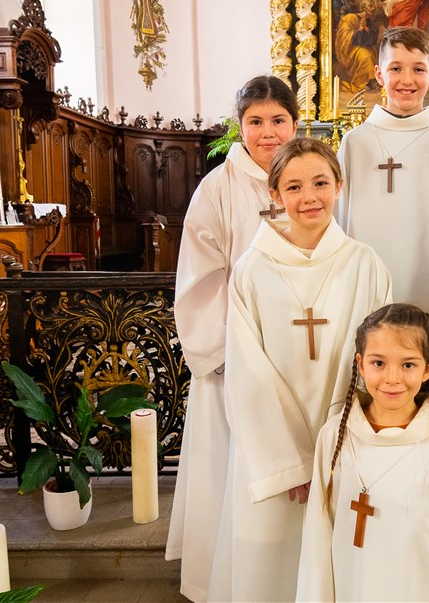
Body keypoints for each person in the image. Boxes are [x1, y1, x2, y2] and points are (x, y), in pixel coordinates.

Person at [210, 138, 392, 601]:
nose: (309, 197)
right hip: (271, 448)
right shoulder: (252, 270)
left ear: (340, 186)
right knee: (272, 564)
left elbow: (380, 361)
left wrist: (345, 444)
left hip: (344, 438)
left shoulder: (365, 264)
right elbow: (248, 373)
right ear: (275, 194)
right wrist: (287, 462)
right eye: (293, 187)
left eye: (320, 183)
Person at [164, 75, 298, 602]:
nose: (268, 133)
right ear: (239, 127)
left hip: (299, 352)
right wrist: (222, 354)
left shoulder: (311, 180)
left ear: (295, 123)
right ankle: (225, 582)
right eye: (256, 122)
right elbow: (200, 277)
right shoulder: (217, 188)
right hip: (234, 360)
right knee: (231, 471)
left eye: (278, 120)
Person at [297, 303, 429, 602]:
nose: (392, 378)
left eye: (408, 365)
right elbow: (317, 544)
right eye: (379, 363)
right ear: (361, 364)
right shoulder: (335, 436)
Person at [337, 26, 429, 317]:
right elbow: (339, 220)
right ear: (379, 74)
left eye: (418, 69)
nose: (407, 80)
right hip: (364, 285)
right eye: (396, 68)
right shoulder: (354, 143)